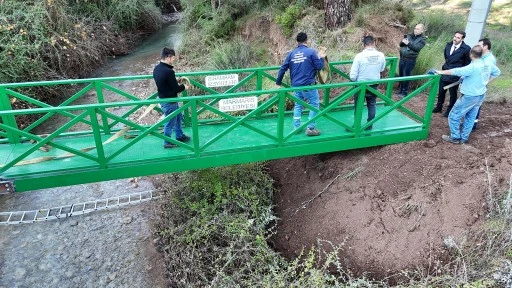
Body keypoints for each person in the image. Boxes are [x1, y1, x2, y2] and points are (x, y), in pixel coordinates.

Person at [435, 45, 500, 144]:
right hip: (481, 95)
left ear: (471, 54)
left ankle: (455, 137)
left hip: (469, 96)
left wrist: (439, 72)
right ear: (481, 54)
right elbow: (497, 72)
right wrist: (485, 82)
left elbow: (456, 71)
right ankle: (464, 138)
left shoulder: (472, 67)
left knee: (454, 115)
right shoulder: (488, 64)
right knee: (470, 117)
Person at [276, 32, 326, 136]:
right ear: (306, 41)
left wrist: (278, 82)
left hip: (296, 85)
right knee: (314, 103)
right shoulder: (311, 52)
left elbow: (282, 68)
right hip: (308, 85)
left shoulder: (291, 53)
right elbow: (319, 67)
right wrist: (321, 57)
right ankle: (311, 128)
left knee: (298, 105)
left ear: (297, 42)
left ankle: (296, 127)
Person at [153, 47, 191, 149]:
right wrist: (184, 87)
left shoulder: (157, 69)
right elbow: (176, 89)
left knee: (178, 117)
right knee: (169, 122)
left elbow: (165, 83)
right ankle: (167, 142)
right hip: (170, 101)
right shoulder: (169, 71)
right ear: (168, 57)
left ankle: (179, 136)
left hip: (163, 99)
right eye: (173, 58)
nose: (174, 60)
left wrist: (175, 81)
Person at [349, 35, 386, 131]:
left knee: (358, 106)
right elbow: (382, 69)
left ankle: (356, 126)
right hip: (374, 84)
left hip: (360, 85)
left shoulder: (359, 56)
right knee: (372, 104)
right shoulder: (381, 55)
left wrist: (355, 80)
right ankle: (369, 125)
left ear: (364, 44)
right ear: (374, 43)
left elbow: (352, 76)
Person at [432, 31, 471, 117]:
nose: (455, 39)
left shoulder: (466, 49)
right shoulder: (448, 45)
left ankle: (450, 110)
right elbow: (446, 58)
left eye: (458, 38)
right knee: (441, 91)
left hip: (455, 75)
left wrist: (461, 73)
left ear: (462, 39)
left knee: (453, 94)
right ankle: (439, 106)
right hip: (445, 71)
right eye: (455, 36)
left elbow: (467, 63)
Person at [473, 38, 497, 130]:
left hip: (480, 86)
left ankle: (473, 125)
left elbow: (494, 74)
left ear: (486, 46)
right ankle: (469, 122)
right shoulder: (480, 56)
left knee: (476, 105)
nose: (478, 47)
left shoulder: (490, 60)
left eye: (480, 45)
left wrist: (485, 83)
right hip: (474, 84)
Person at [397, 23, 426, 98]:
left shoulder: (422, 40)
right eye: (415, 28)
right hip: (402, 58)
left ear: (422, 31)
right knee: (401, 74)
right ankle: (400, 89)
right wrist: (402, 41)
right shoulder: (409, 35)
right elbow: (401, 45)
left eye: (418, 29)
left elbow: (417, 48)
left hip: (410, 60)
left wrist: (408, 43)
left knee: (406, 76)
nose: (415, 30)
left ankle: (404, 92)